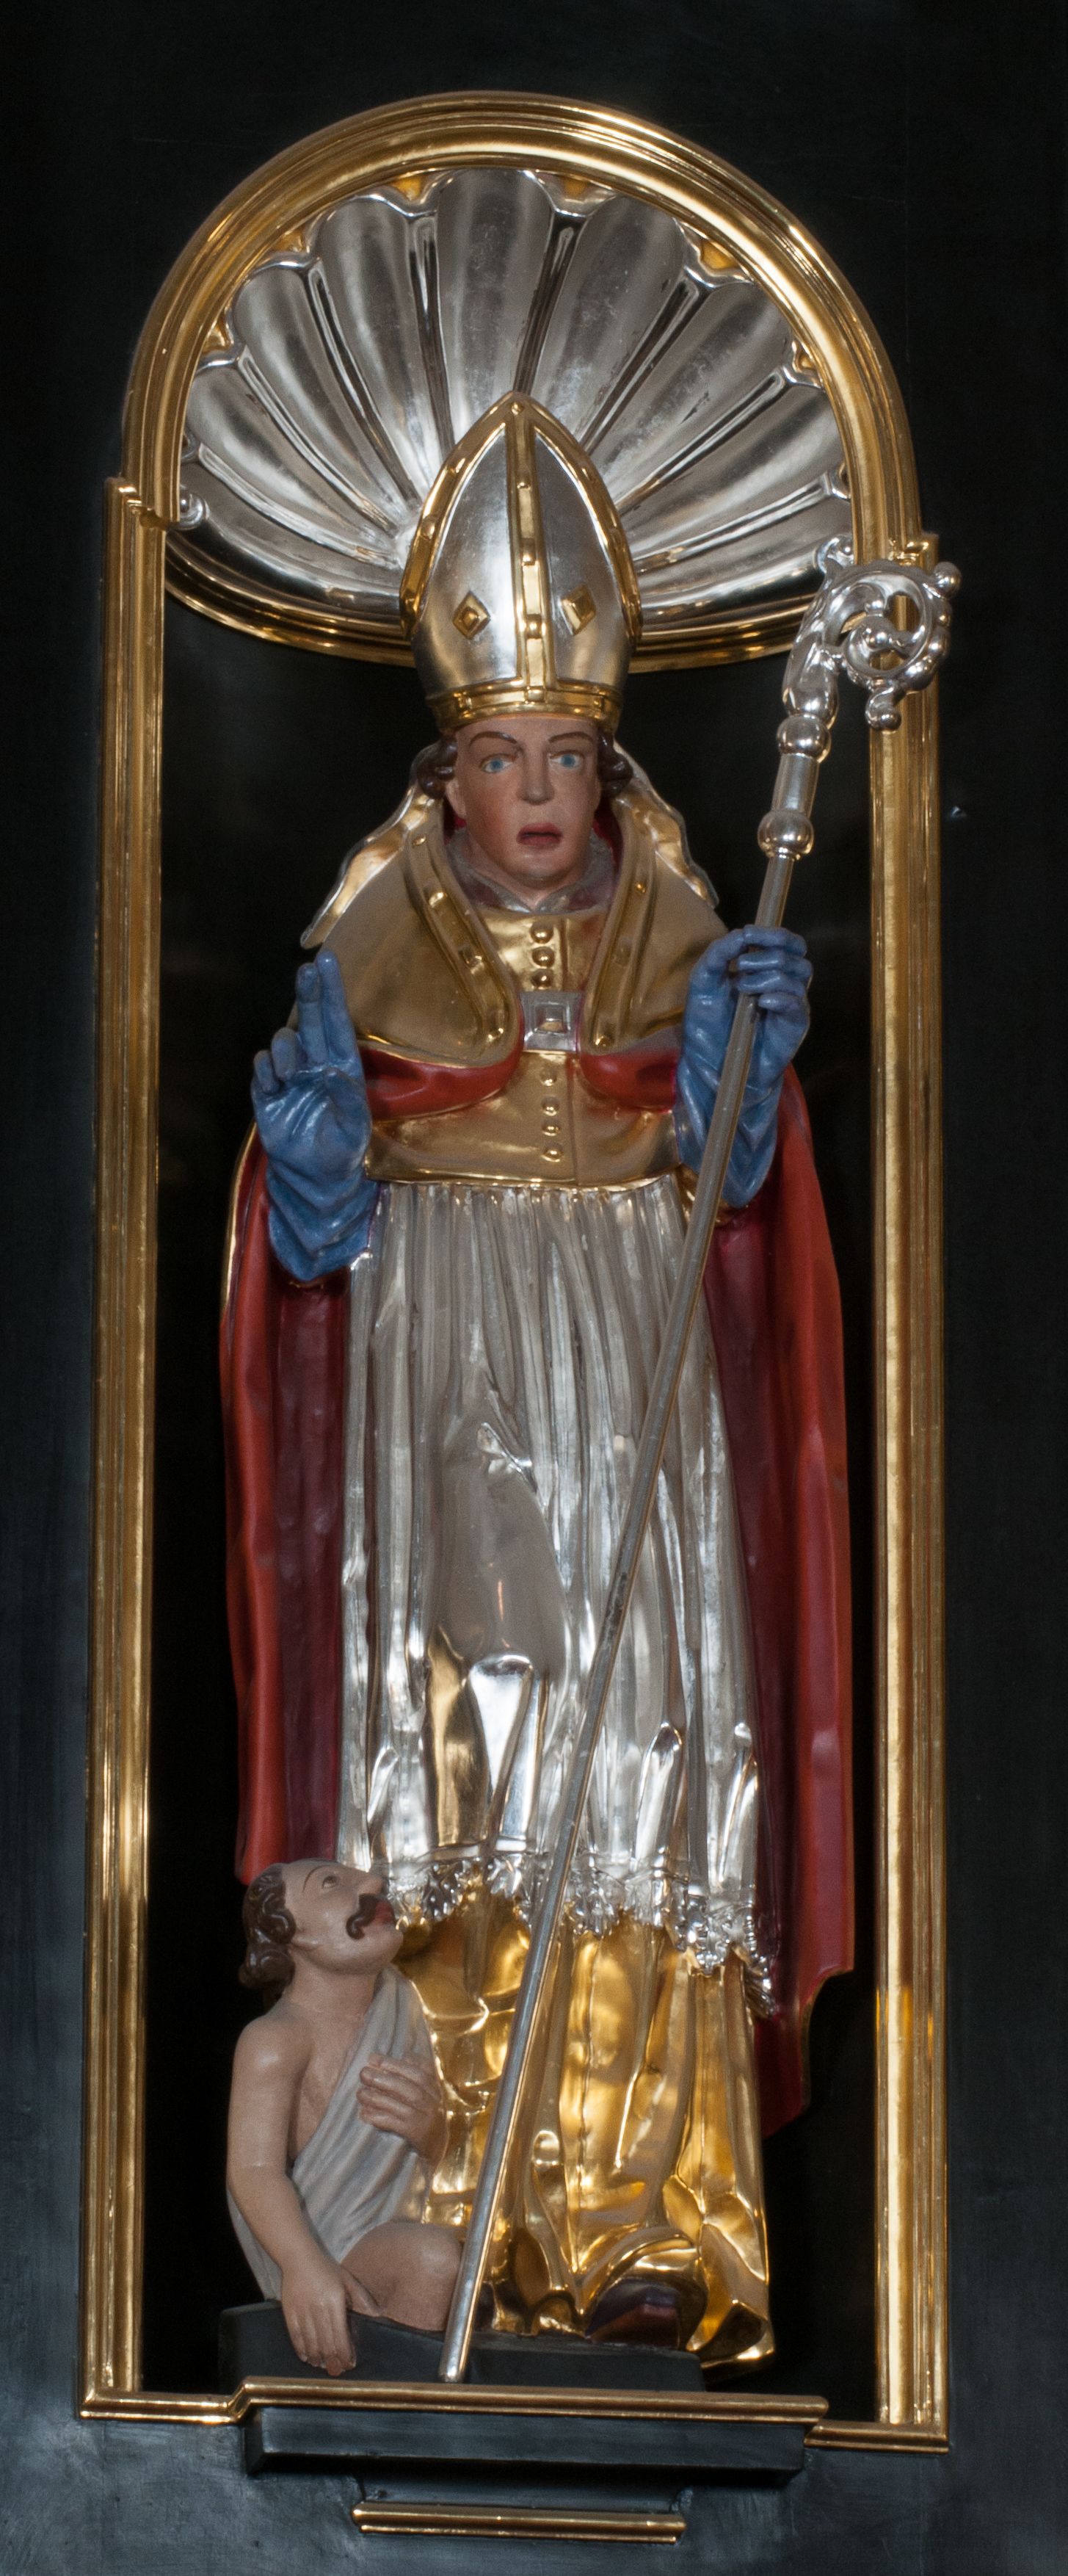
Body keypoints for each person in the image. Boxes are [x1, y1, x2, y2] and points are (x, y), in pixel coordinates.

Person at [222, 395, 852, 2359]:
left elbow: (735, 1201)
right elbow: (305, 1223)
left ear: (602, 765)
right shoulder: (370, 938)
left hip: (633, 1356)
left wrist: (737, 1093)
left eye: (562, 752)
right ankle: (443, 2232)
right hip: (449, 1363)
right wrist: (316, 1176)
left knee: (651, 1747)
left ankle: (643, 2214)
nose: (535, 789)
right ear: (446, 777)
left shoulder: (685, 925)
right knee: (461, 1756)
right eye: (497, 754)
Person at [227, 1856, 458, 2374]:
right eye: (331, 1885)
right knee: (432, 2259)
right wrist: (302, 2265)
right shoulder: (275, 2040)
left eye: (365, 1879)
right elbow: (253, 2170)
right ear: (295, 1934)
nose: (374, 1884)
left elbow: (429, 2161)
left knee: (446, 2264)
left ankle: (396, 2402)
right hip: (322, 2242)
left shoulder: (402, 2005)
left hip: (384, 2232)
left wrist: (432, 2133)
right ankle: (383, 2403)